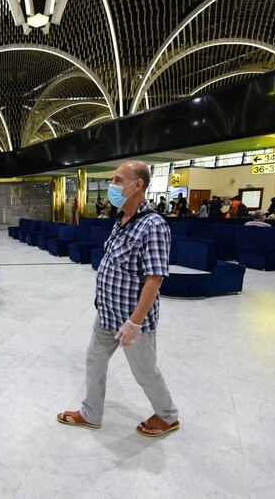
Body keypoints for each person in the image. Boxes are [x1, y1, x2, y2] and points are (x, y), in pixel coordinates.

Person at [57, 160, 179, 438]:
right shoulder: (121, 220)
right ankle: (91, 413)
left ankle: (168, 415)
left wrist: (134, 323)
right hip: (107, 315)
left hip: (131, 321)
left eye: (116, 179)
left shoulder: (153, 226)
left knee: (145, 372)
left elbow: (154, 278)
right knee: (94, 361)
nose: (112, 186)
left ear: (137, 185)